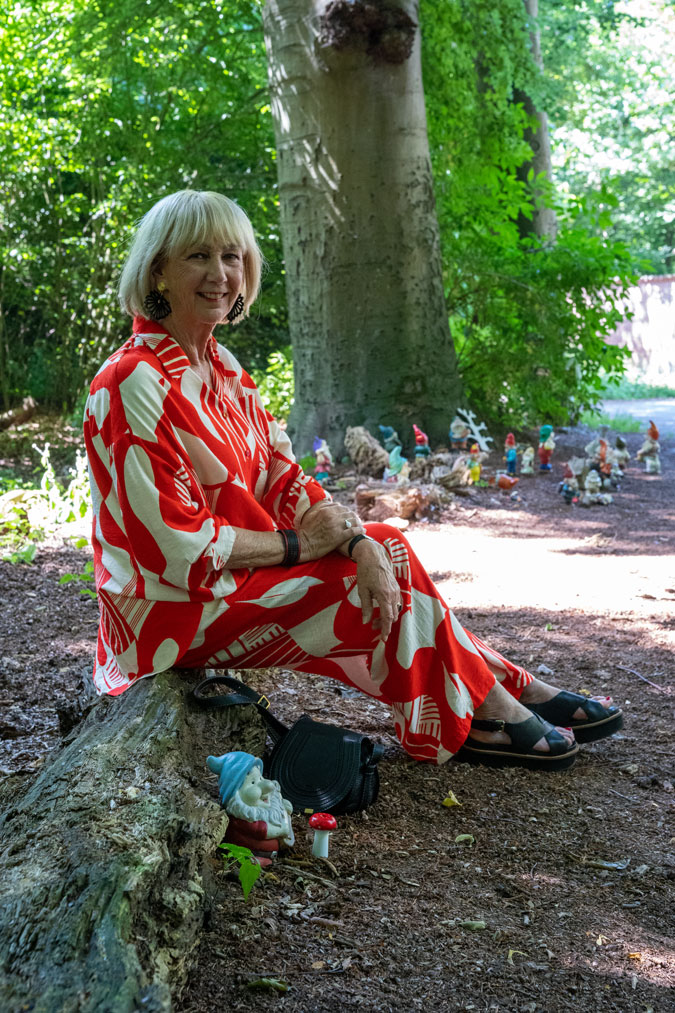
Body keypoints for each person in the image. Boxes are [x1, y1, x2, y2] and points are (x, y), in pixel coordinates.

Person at [83, 189, 622, 773]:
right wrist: (301, 547)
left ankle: (494, 698)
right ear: (158, 270)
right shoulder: (131, 381)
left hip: (227, 582)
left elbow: (284, 482)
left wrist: (357, 542)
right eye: (199, 257)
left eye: (233, 257)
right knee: (369, 570)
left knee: (385, 550)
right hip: (164, 611)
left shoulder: (224, 370)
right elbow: (172, 549)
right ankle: (487, 705)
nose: (221, 274)